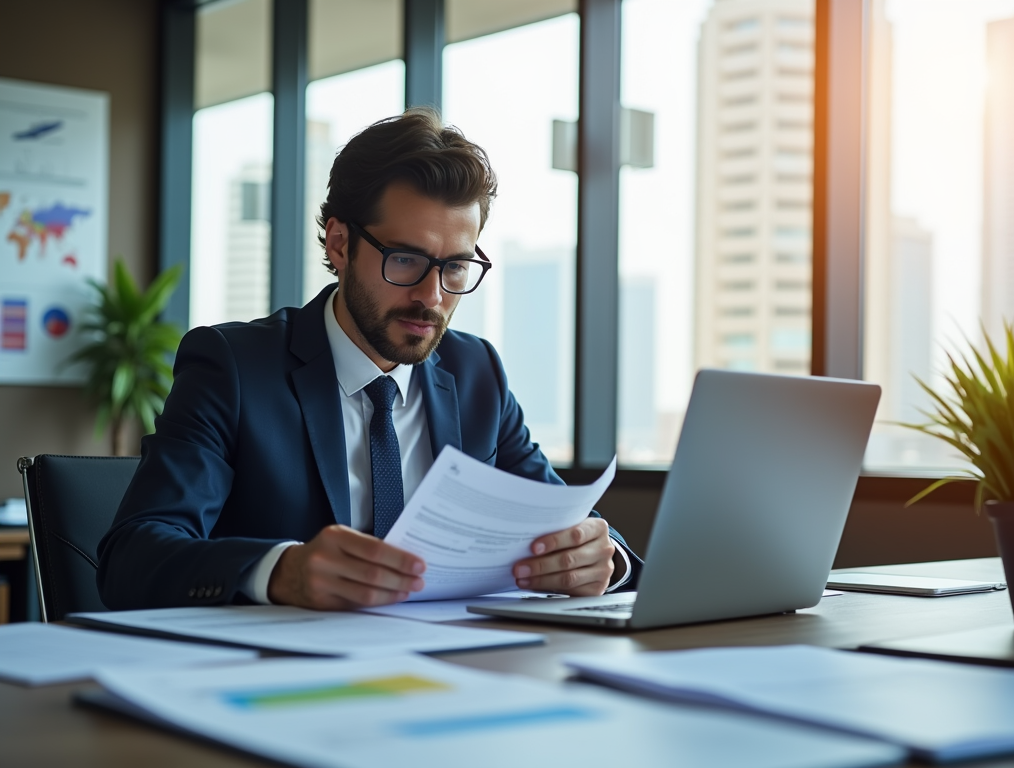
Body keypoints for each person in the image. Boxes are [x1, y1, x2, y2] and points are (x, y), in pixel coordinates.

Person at [96, 108, 641, 611]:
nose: (432, 296)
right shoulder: (233, 367)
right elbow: (133, 558)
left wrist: (602, 559)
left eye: (454, 267)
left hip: (456, 675)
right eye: (406, 260)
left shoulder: (478, 374)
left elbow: (567, 522)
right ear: (339, 244)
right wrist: (279, 571)